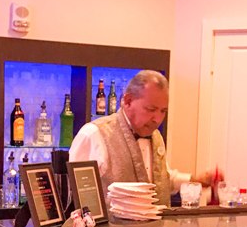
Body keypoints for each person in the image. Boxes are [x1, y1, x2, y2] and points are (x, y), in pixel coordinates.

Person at [69, 70, 220, 206]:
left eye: (163, 111)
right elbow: (81, 200)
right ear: (128, 101)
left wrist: (197, 180)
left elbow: (162, 180)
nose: (158, 119)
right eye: (151, 109)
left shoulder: (156, 136)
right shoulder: (94, 134)